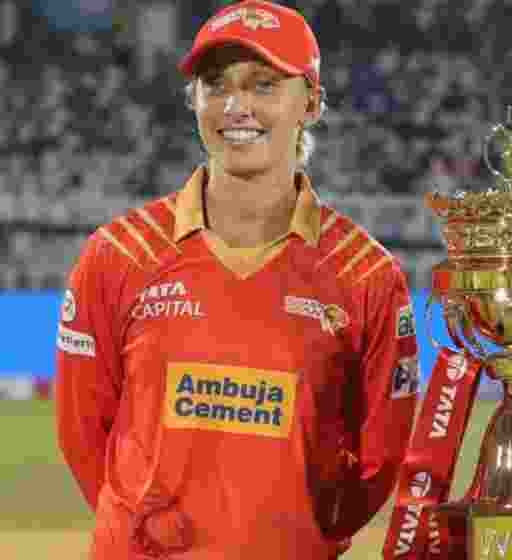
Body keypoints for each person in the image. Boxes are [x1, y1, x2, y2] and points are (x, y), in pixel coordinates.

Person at [54, 1, 420, 558]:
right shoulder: (117, 255)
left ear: (311, 102)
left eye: (263, 85)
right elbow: (83, 437)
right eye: (215, 84)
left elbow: (376, 465)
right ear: (194, 99)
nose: (235, 105)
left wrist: (290, 535)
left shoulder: (366, 275)